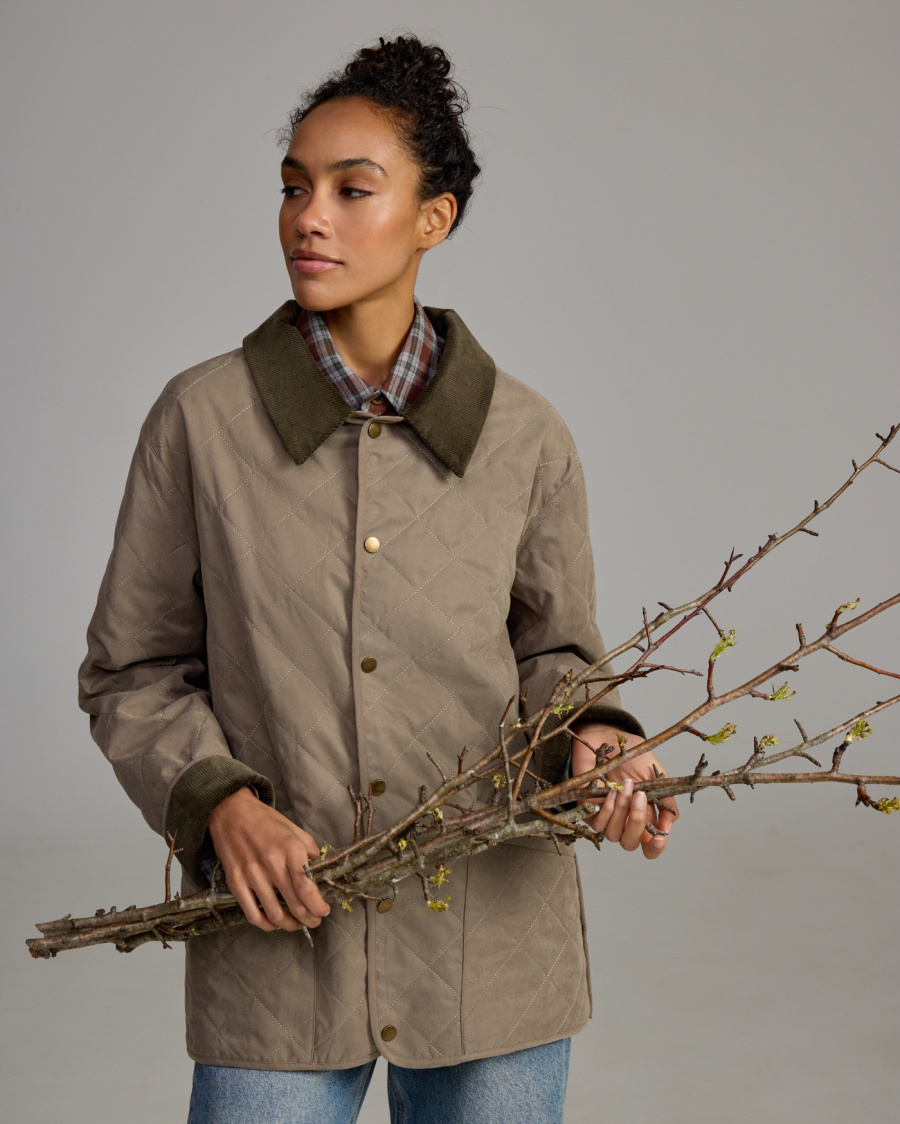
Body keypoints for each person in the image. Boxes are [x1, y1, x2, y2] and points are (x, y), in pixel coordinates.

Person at [78, 34, 677, 1124]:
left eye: (352, 190)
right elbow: (133, 670)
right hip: (278, 940)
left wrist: (594, 738)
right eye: (294, 187)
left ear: (433, 218)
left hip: (492, 942)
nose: (309, 218)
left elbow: (556, 652)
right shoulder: (200, 423)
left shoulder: (526, 435)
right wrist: (220, 806)